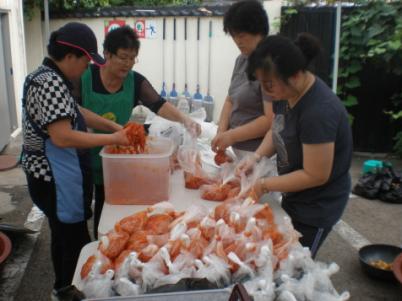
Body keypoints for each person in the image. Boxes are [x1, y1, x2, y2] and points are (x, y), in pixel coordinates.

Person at [21, 22, 130, 299]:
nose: (87, 68)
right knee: (75, 242)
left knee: (63, 235)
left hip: (52, 176)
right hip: (54, 178)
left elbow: (76, 111)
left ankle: (60, 286)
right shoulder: (50, 83)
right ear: (71, 56)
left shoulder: (47, 76)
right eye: (86, 61)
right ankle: (72, 291)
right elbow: (62, 137)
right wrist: (112, 140)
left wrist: (115, 129)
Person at [78, 26, 200, 238]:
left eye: (133, 58)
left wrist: (185, 119)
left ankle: (104, 243)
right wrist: (117, 128)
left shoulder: (134, 81)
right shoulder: (85, 76)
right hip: (82, 157)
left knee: (108, 209)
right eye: (123, 57)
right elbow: (75, 110)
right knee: (78, 215)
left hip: (115, 160)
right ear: (107, 53)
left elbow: (159, 104)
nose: (128, 63)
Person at [239, 33, 353, 258]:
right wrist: (256, 157)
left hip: (317, 207)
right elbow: (277, 129)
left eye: (268, 84)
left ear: (295, 75)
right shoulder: (286, 93)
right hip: (295, 197)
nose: (266, 90)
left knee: (296, 262)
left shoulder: (318, 112)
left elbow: (315, 174)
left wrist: (263, 184)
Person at [211, 0, 273, 159]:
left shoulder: (270, 63)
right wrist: (221, 133)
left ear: (258, 31)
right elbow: (230, 99)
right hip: (238, 151)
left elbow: (270, 119)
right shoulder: (241, 60)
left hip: (260, 155)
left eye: (242, 35)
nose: (237, 41)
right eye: (233, 35)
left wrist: (231, 136)